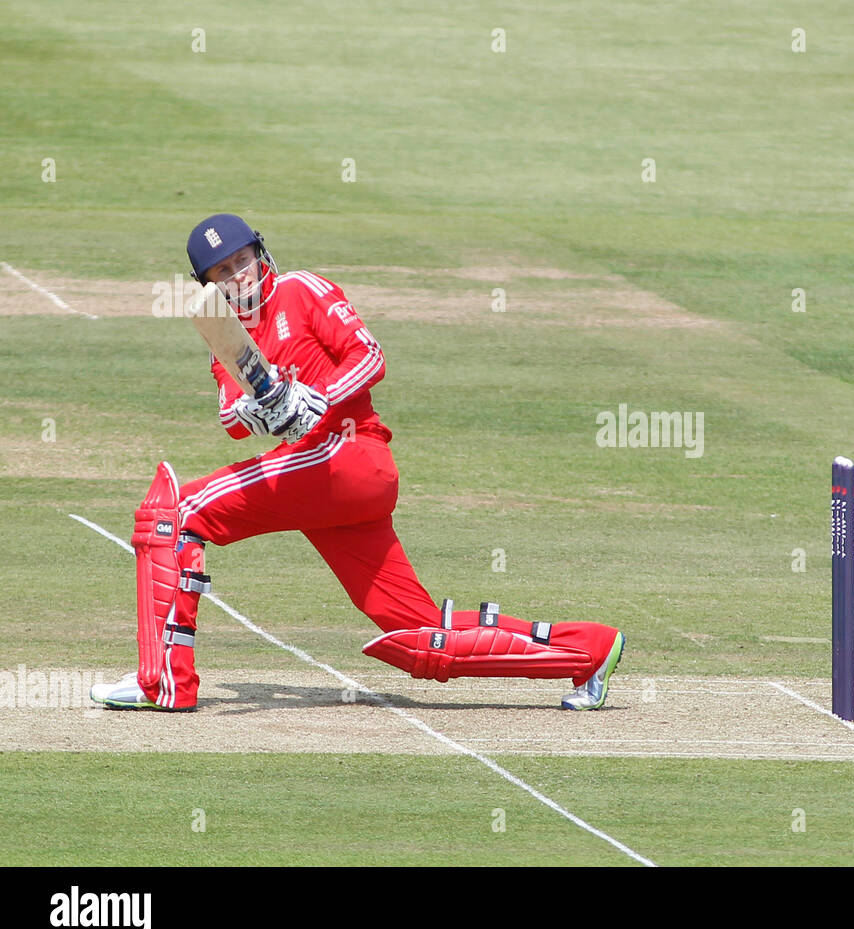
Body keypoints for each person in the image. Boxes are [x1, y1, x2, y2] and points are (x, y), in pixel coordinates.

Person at [90, 213, 623, 712]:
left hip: (348, 454)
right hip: (318, 483)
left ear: (261, 253)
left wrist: (315, 398)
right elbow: (232, 416)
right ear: (208, 284)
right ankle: (589, 651)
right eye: (221, 272)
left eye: (241, 260)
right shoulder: (225, 336)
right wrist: (260, 408)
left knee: (177, 513)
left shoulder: (302, 290)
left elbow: (369, 356)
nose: (237, 276)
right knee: (419, 637)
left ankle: (161, 682)